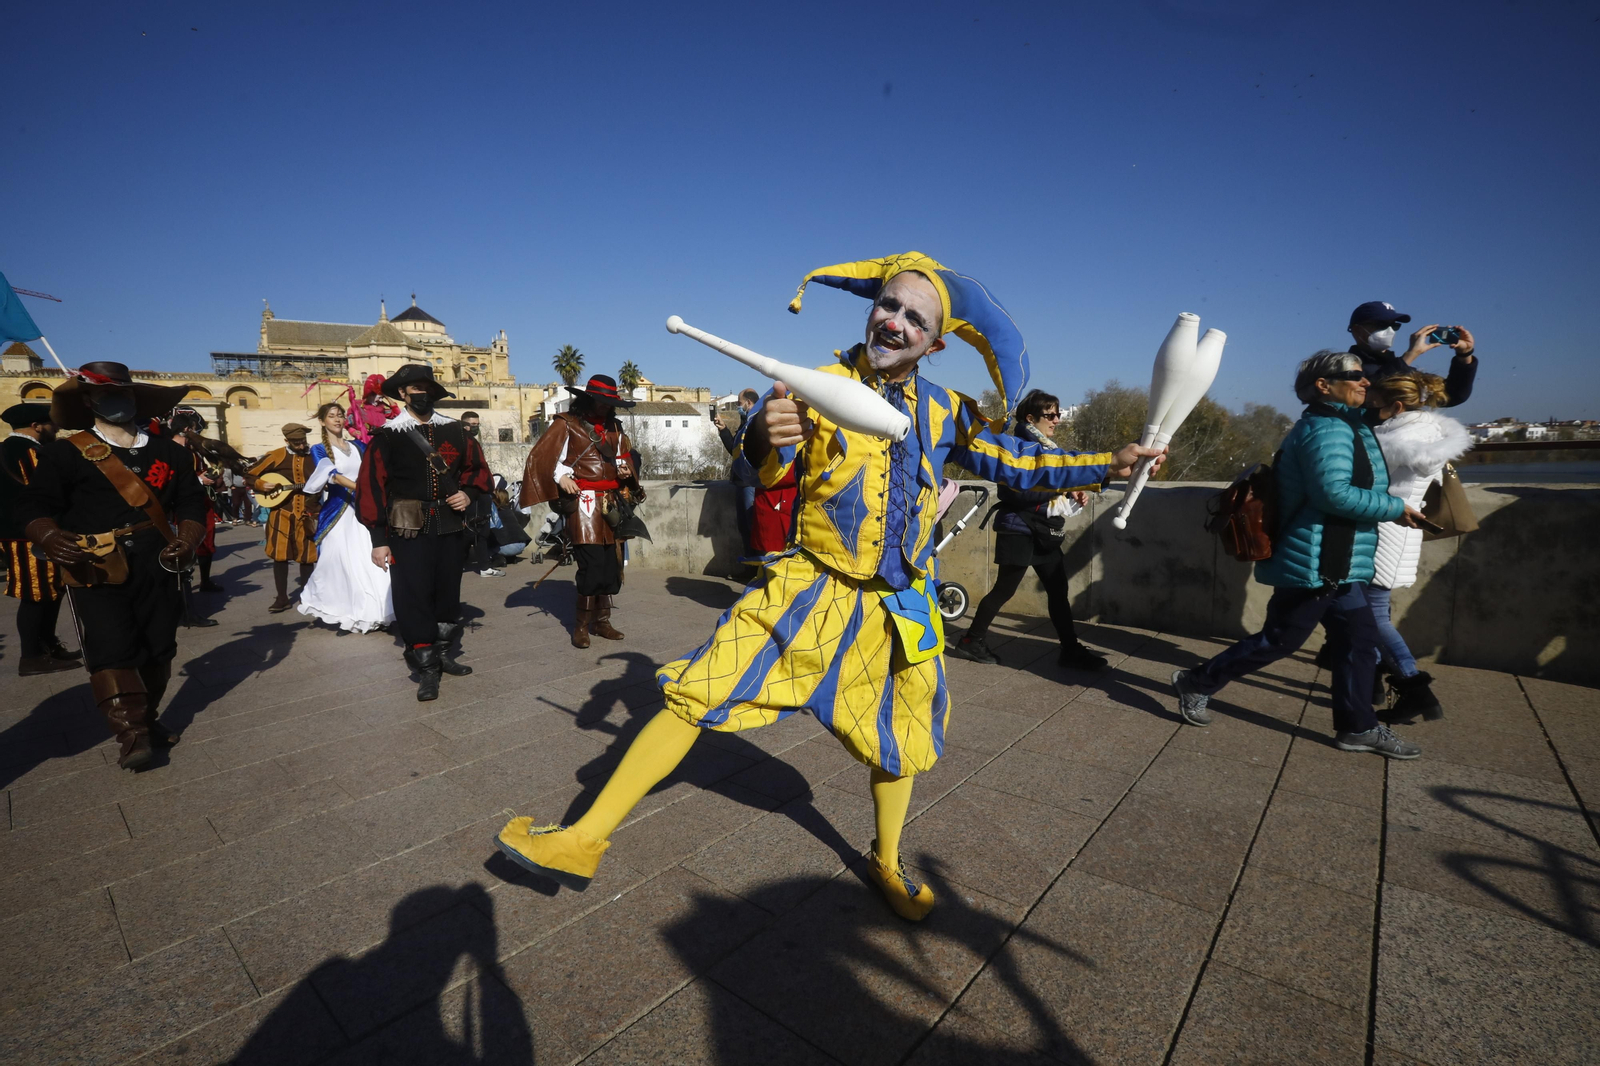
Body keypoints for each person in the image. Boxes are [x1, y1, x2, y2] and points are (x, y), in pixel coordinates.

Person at [495, 251, 1163, 921]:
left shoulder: (945, 410)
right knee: (692, 694)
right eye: (889, 306)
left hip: (901, 606)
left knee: (903, 739)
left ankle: (886, 860)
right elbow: (765, 461)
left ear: (935, 342)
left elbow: (1016, 462)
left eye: (916, 319)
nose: (896, 323)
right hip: (808, 592)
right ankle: (583, 840)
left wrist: (1109, 462)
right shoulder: (815, 385)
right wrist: (764, 434)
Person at [1172, 350, 1430, 759]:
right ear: (1323, 386)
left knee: (1359, 643)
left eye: (1366, 376)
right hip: (1317, 559)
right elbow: (1334, 494)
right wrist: (1396, 509)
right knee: (1280, 640)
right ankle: (1196, 682)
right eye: (1355, 376)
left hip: (1337, 559)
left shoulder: (1347, 423)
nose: (1365, 382)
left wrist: (1416, 357)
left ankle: (1358, 727)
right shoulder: (1327, 430)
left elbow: (1400, 394)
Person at [18, 362, 206, 769]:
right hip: (96, 564)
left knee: (159, 645)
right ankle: (132, 733)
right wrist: (48, 535)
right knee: (112, 645)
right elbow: (34, 506)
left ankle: (148, 718)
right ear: (88, 401)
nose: (116, 401)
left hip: (160, 561)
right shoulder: (64, 453)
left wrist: (189, 538)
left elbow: (192, 502)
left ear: (135, 397)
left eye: (122, 394)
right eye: (105, 396)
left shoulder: (170, 452)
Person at [355, 364, 491, 701]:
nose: (422, 393)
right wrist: (378, 540)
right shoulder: (387, 437)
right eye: (415, 388)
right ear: (402, 393)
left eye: (427, 387)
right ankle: (426, 666)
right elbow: (371, 488)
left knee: (447, 590)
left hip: (449, 525)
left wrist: (468, 494)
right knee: (412, 593)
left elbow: (478, 472)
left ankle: (443, 653)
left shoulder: (458, 432)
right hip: (406, 528)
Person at [948, 388, 1104, 670]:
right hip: (1019, 528)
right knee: (1003, 590)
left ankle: (1070, 649)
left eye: (1058, 414)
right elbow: (1018, 493)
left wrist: (1070, 491)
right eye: (1051, 415)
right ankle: (971, 641)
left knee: (1057, 590)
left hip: (1042, 529)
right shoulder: (1015, 448)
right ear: (1031, 419)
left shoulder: (1045, 449)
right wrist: (1062, 489)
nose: (1057, 420)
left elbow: (1049, 482)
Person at [1368, 371, 1474, 723]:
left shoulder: (1397, 441)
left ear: (1396, 405)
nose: (1371, 407)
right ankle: (1372, 682)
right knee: (1369, 614)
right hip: (1397, 531)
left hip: (1385, 531)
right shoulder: (1427, 431)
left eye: (1377, 403)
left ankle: (1415, 689)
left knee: (1372, 616)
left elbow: (1374, 487)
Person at [519, 375, 642, 648]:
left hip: (611, 502)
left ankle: (603, 622)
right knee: (592, 565)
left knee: (611, 565)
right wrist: (560, 477)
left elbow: (625, 459)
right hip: (584, 503)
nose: (604, 407)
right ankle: (582, 626)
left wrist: (625, 470)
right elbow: (544, 457)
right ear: (587, 398)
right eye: (600, 401)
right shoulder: (567, 424)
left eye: (609, 402)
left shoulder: (616, 428)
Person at [297, 402, 394, 633]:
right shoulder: (319, 449)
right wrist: (364, 489)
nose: (337, 420)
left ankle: (376, 611)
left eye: (340, 416)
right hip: (340, 511)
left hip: (364, 509)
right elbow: (333, 476)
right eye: (331, 416)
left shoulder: (358, 445)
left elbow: (376, 464)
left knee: (368, 560)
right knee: (341, 561)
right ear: (322, 421)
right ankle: (346, 610)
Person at [1, 402, 81, 675]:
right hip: (28, 535)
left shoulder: (12, 449)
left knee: (50, 592)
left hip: (30, 532)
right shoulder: (27, 452)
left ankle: (48, 646)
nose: (55, 428)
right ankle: (32, 656)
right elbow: (47, 490)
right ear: (36, 426)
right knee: (36, 594)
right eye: (50, 423)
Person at [1346, 300, 1478, 408]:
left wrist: (1464, 354)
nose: (1390, 330)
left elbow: (1453, 395)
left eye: (1394, 325)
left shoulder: (1403, 368)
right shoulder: (1341, 367)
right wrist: (1410, 355)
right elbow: (1367, 394)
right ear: (1357, 330)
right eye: (1382, 324)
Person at [246, 424, 320, 613]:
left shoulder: (315, 455)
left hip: (306, 513)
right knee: (279, 557)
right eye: (296, 442)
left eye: (303, 441)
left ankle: (307, 596)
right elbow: (249, 475)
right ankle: (282, 598)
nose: (302, 445)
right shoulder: (276, 455)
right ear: (287, 441)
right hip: (281, 514)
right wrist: (262, 484)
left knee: (306, 558)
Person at [715, 389, 761, 553]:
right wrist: (723, 430)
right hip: (743, 482)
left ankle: (756, 569)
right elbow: (735, 450)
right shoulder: (746, 421)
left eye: (739, 404)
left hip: (750, 482)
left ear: (748, 403)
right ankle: (750, 567)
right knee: (744, 526)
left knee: (750, 525)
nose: (737, 408)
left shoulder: (756, 422)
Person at [458, 410, 502, 578]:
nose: (476, 427)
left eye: (477, 424)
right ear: (465, 425)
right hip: (472, 492)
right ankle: (462, 564)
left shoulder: (471, 441)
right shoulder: (464, 442)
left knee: (481, 531)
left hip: (481, 492)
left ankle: (484, 567)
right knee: (470, 530)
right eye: (472, 424)